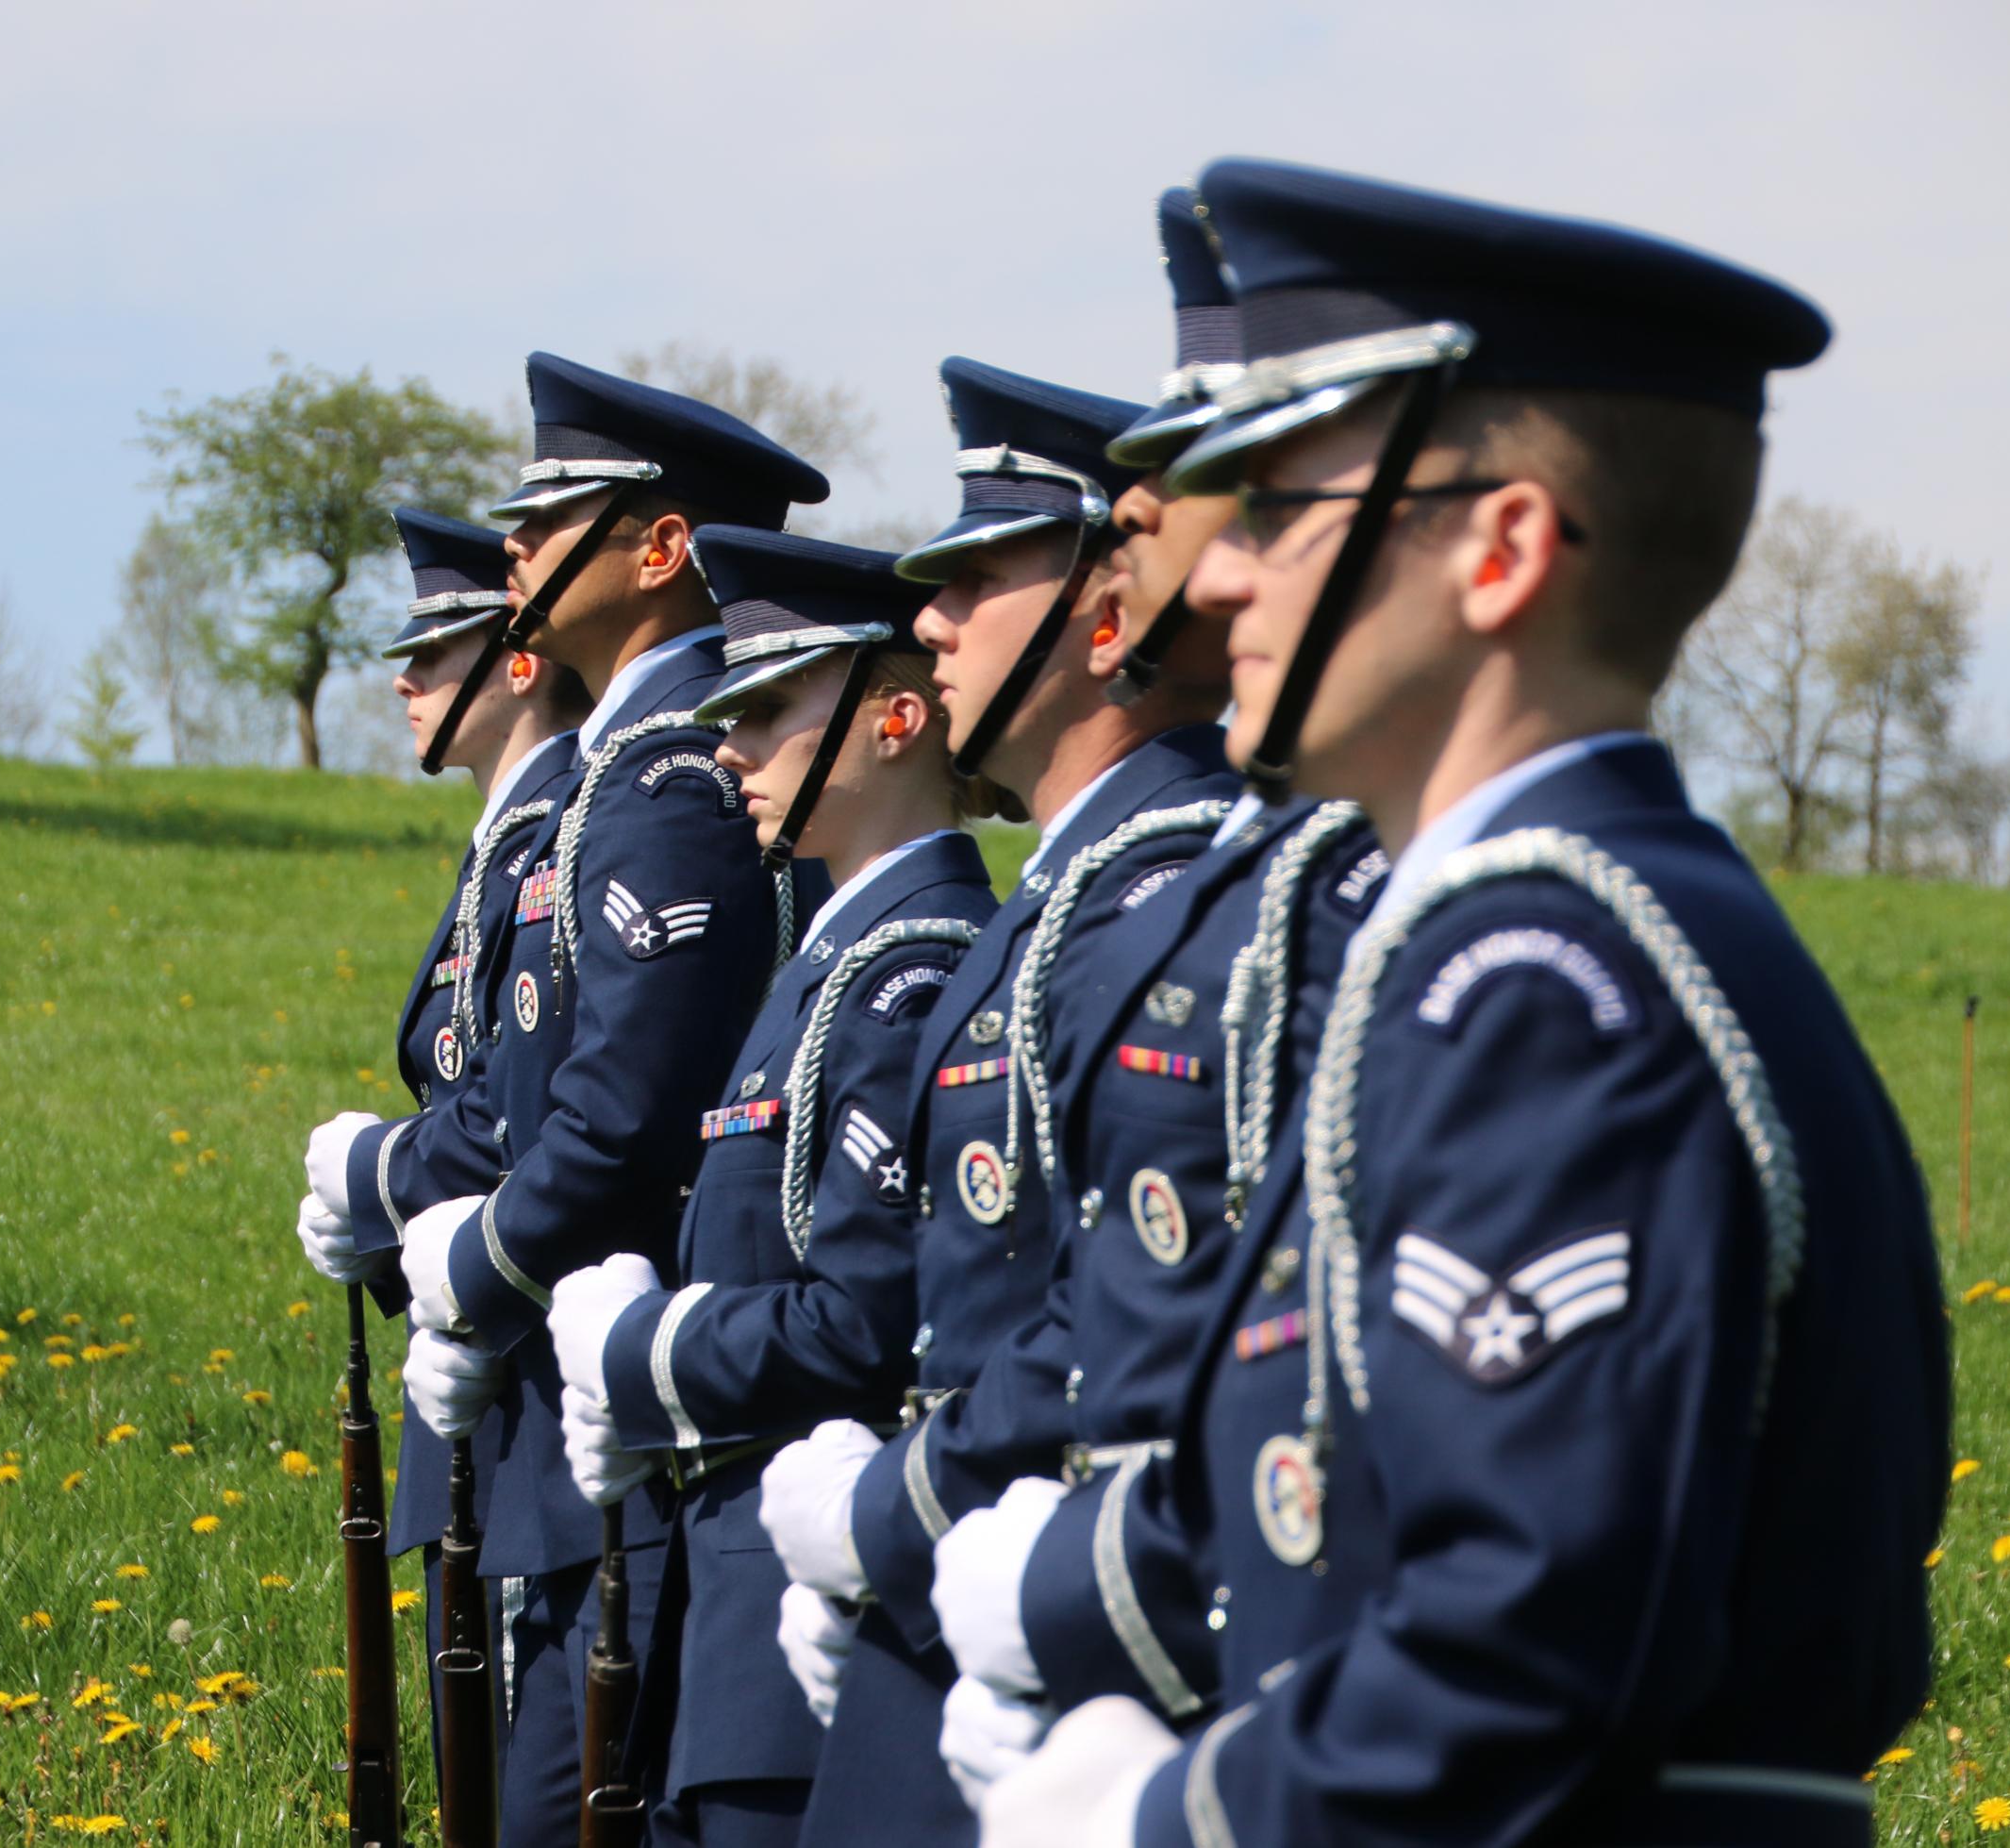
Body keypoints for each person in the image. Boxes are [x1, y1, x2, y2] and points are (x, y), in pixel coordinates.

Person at [980, 158, 1951, 1848]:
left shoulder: (1540, 985)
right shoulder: (1545, 938)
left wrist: (1174, 1819)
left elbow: (1526, 1643)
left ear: (1503, 549)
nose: (1219, 577)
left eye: (1286, 510)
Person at [911, 189, 1391, 1808]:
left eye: (1264, 510)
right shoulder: (1284, 887)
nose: (1213, 584)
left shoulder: (1497, 957)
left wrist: (1082, 1626)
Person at [755, 357, 1240, 1846]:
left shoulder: (1152, 887)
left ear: (1109, 615)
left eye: (976, 578)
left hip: (1055, 1603)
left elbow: (1117, 1306)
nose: (929, 623)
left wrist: (897, 1518)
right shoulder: (1080, 888)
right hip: (969, 1576)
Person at [392, 354, 830, 1839]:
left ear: (660, 550)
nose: (512, 544)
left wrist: (477, 1260)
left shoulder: (673, 780)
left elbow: (627, 1116)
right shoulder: (622, 768)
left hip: (637, 1400)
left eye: (555, 513)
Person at [543, 527, 1005, 1845]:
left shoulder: (914, 974)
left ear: (896, 716)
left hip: (806, 1625)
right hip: (725, 1619)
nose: (727, 747)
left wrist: (649, 1352)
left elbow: (859, 1320)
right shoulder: (828, 962)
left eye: (764, 711)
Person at [293, 506, 588, 1733]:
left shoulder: (560, 835)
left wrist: (381, 1170)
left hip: (533, 1385)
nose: (403, 676)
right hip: (475, 1370)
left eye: (434, 650)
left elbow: (520, 1108)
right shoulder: (500, 846)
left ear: (518, 660)